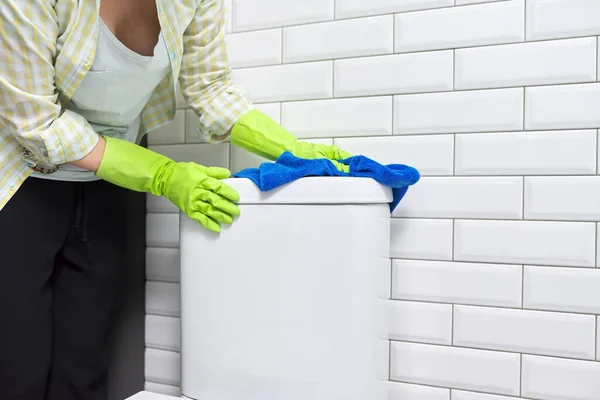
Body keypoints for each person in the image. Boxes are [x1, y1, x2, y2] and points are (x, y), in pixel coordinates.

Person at [0, 0, 351, 399]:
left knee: (83, 369)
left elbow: (210, 85)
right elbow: (37, 122)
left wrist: (291, 149)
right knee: (15, 369)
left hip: (110, 178)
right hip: (17, 178)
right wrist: (163, 175)